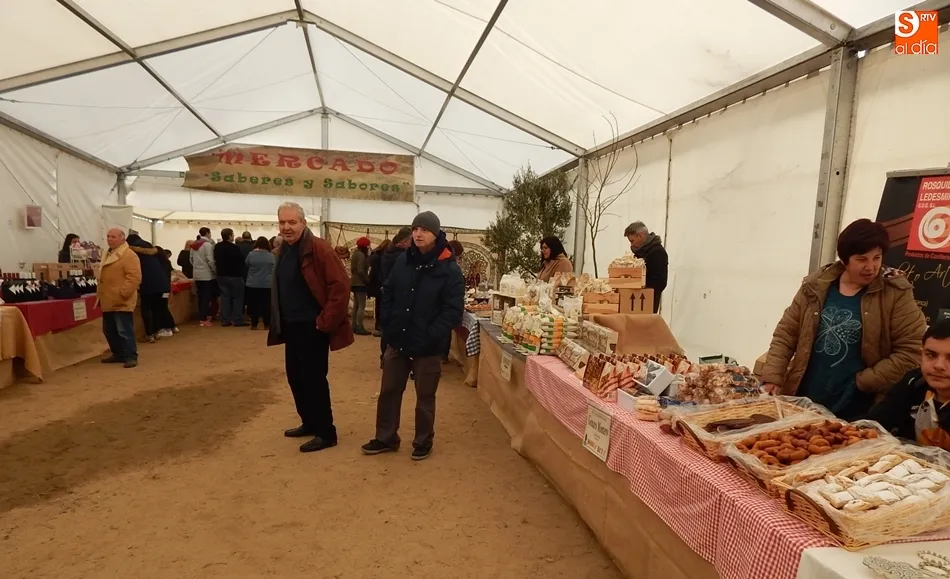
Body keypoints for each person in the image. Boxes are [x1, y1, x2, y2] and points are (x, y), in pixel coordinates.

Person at [761, 218, 927, 419]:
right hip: (805, 394)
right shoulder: (816, 286)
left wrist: (863, 382)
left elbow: (912, 351)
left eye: (877, 257)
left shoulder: (895, 293)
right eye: (861, 259)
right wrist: (773, 377)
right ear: (845, 259)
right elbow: (786, 333)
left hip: (858, 404)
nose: (871, 267)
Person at [361, 211, 464, 461]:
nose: (418, 233)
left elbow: (452, 312)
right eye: (415, 228)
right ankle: (386, 437)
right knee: (389, 390)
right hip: (398, 339)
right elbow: (389, 292)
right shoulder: (403, 261)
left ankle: (423, 440)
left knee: (425, 396)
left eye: (424, 229)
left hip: (428, 345)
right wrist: (389, 323)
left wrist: (431, 335)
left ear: (436, 233)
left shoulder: (449, 269)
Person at [267, 202, 353, 453]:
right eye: (282, 222)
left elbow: (341, 287)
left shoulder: (319, 249)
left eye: (292, 222)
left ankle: (326, 432)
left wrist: (324, 322)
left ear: (303, 223)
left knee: (314, 380)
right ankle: (309, 422)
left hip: (312, 327)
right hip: (292, 326)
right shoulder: (284, 249)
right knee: (296, 378)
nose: (286, 227)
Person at [864, 320, 950, 449]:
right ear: (921, 355)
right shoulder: (914, 382)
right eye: (931, 355)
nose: (938, 366)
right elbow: (873, 423)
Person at [97, 228, 142, 368]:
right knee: (109, 330)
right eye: (108, 236)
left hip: (121, 300)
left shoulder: (129, 255)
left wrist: (123, 293)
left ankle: (131, 356)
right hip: (108, 298)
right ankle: (118, 354)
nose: (110, 239)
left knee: (124, 330)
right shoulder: (107, 253)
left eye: (114, 237)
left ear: (122, 239)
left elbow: (134, 277)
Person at [126, 230, 172, 343]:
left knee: (146, 309)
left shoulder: (131, 252)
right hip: (162, 282)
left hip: (148, 283)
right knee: (156, 308)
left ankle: (149, 334)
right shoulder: (154, 250)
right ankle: (156, 332)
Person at [377, 227, 412, 366]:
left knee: (388, 328)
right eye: (411, 240)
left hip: (388, 294)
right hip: (397, 297)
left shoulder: (388, 253)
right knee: (394, 330)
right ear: (404, 241)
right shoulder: (400, 257)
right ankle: (389, 359)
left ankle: (384, 358)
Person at [624, 221, 668, 313]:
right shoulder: (641, 251)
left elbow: (660, 281)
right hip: (635, 298)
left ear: (640, 236)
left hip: (648, 300)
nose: (631, 245)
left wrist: (640, 287)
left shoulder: (657, 252)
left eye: (632, 241)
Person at [214, 228, 247, 327]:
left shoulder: (217, 247)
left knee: (225, 297)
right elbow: (241, 260)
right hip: (234, 275)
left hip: (221, 275)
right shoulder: (234, 248)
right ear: (229, 236)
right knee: (237, 297)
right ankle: (237, 320)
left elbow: (215, 259)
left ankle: (225, 320)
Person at [245, 236, 275, 330]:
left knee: (254, 305)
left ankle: (254, 324)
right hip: (267, 283)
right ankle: (267, 324)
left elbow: (247, 264)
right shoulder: (271, 256)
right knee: (267, 305)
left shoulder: (251, 254)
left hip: (253, 283)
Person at [190, 228, 216, 327]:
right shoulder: (207, 245)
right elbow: (210, 260)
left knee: (200, 297)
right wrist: (214, 270)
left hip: (196, 274)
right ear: (208, 233)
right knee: (206, 297)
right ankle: (204, 318)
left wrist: (196, 267)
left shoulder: (194, 244)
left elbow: (191, 259)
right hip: (207, 275)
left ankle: (202, 316)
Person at [367, 238, 390, 338]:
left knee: (378, 304)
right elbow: (378, 272)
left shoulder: (375, 255)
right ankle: (379, 324)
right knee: (381, 305)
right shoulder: (380, 257)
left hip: (375, 284)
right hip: (379, 283)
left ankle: (378, 324)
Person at [350, 237, 371, 335]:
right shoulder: (362, 255)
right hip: (360, 283)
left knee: (356, 305)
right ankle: (360, 327)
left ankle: (353, 326)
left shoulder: (355, 254)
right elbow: (360, 270)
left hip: (354, 282)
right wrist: (367, 280)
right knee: (361, 306)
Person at [155, 246, 178, 336]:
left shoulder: (158, 264)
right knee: (164, 307)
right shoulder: (167, 262)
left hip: (161, 288)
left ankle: (166, 328)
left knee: (161, 308)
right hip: (166, 288)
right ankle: (172, 326)